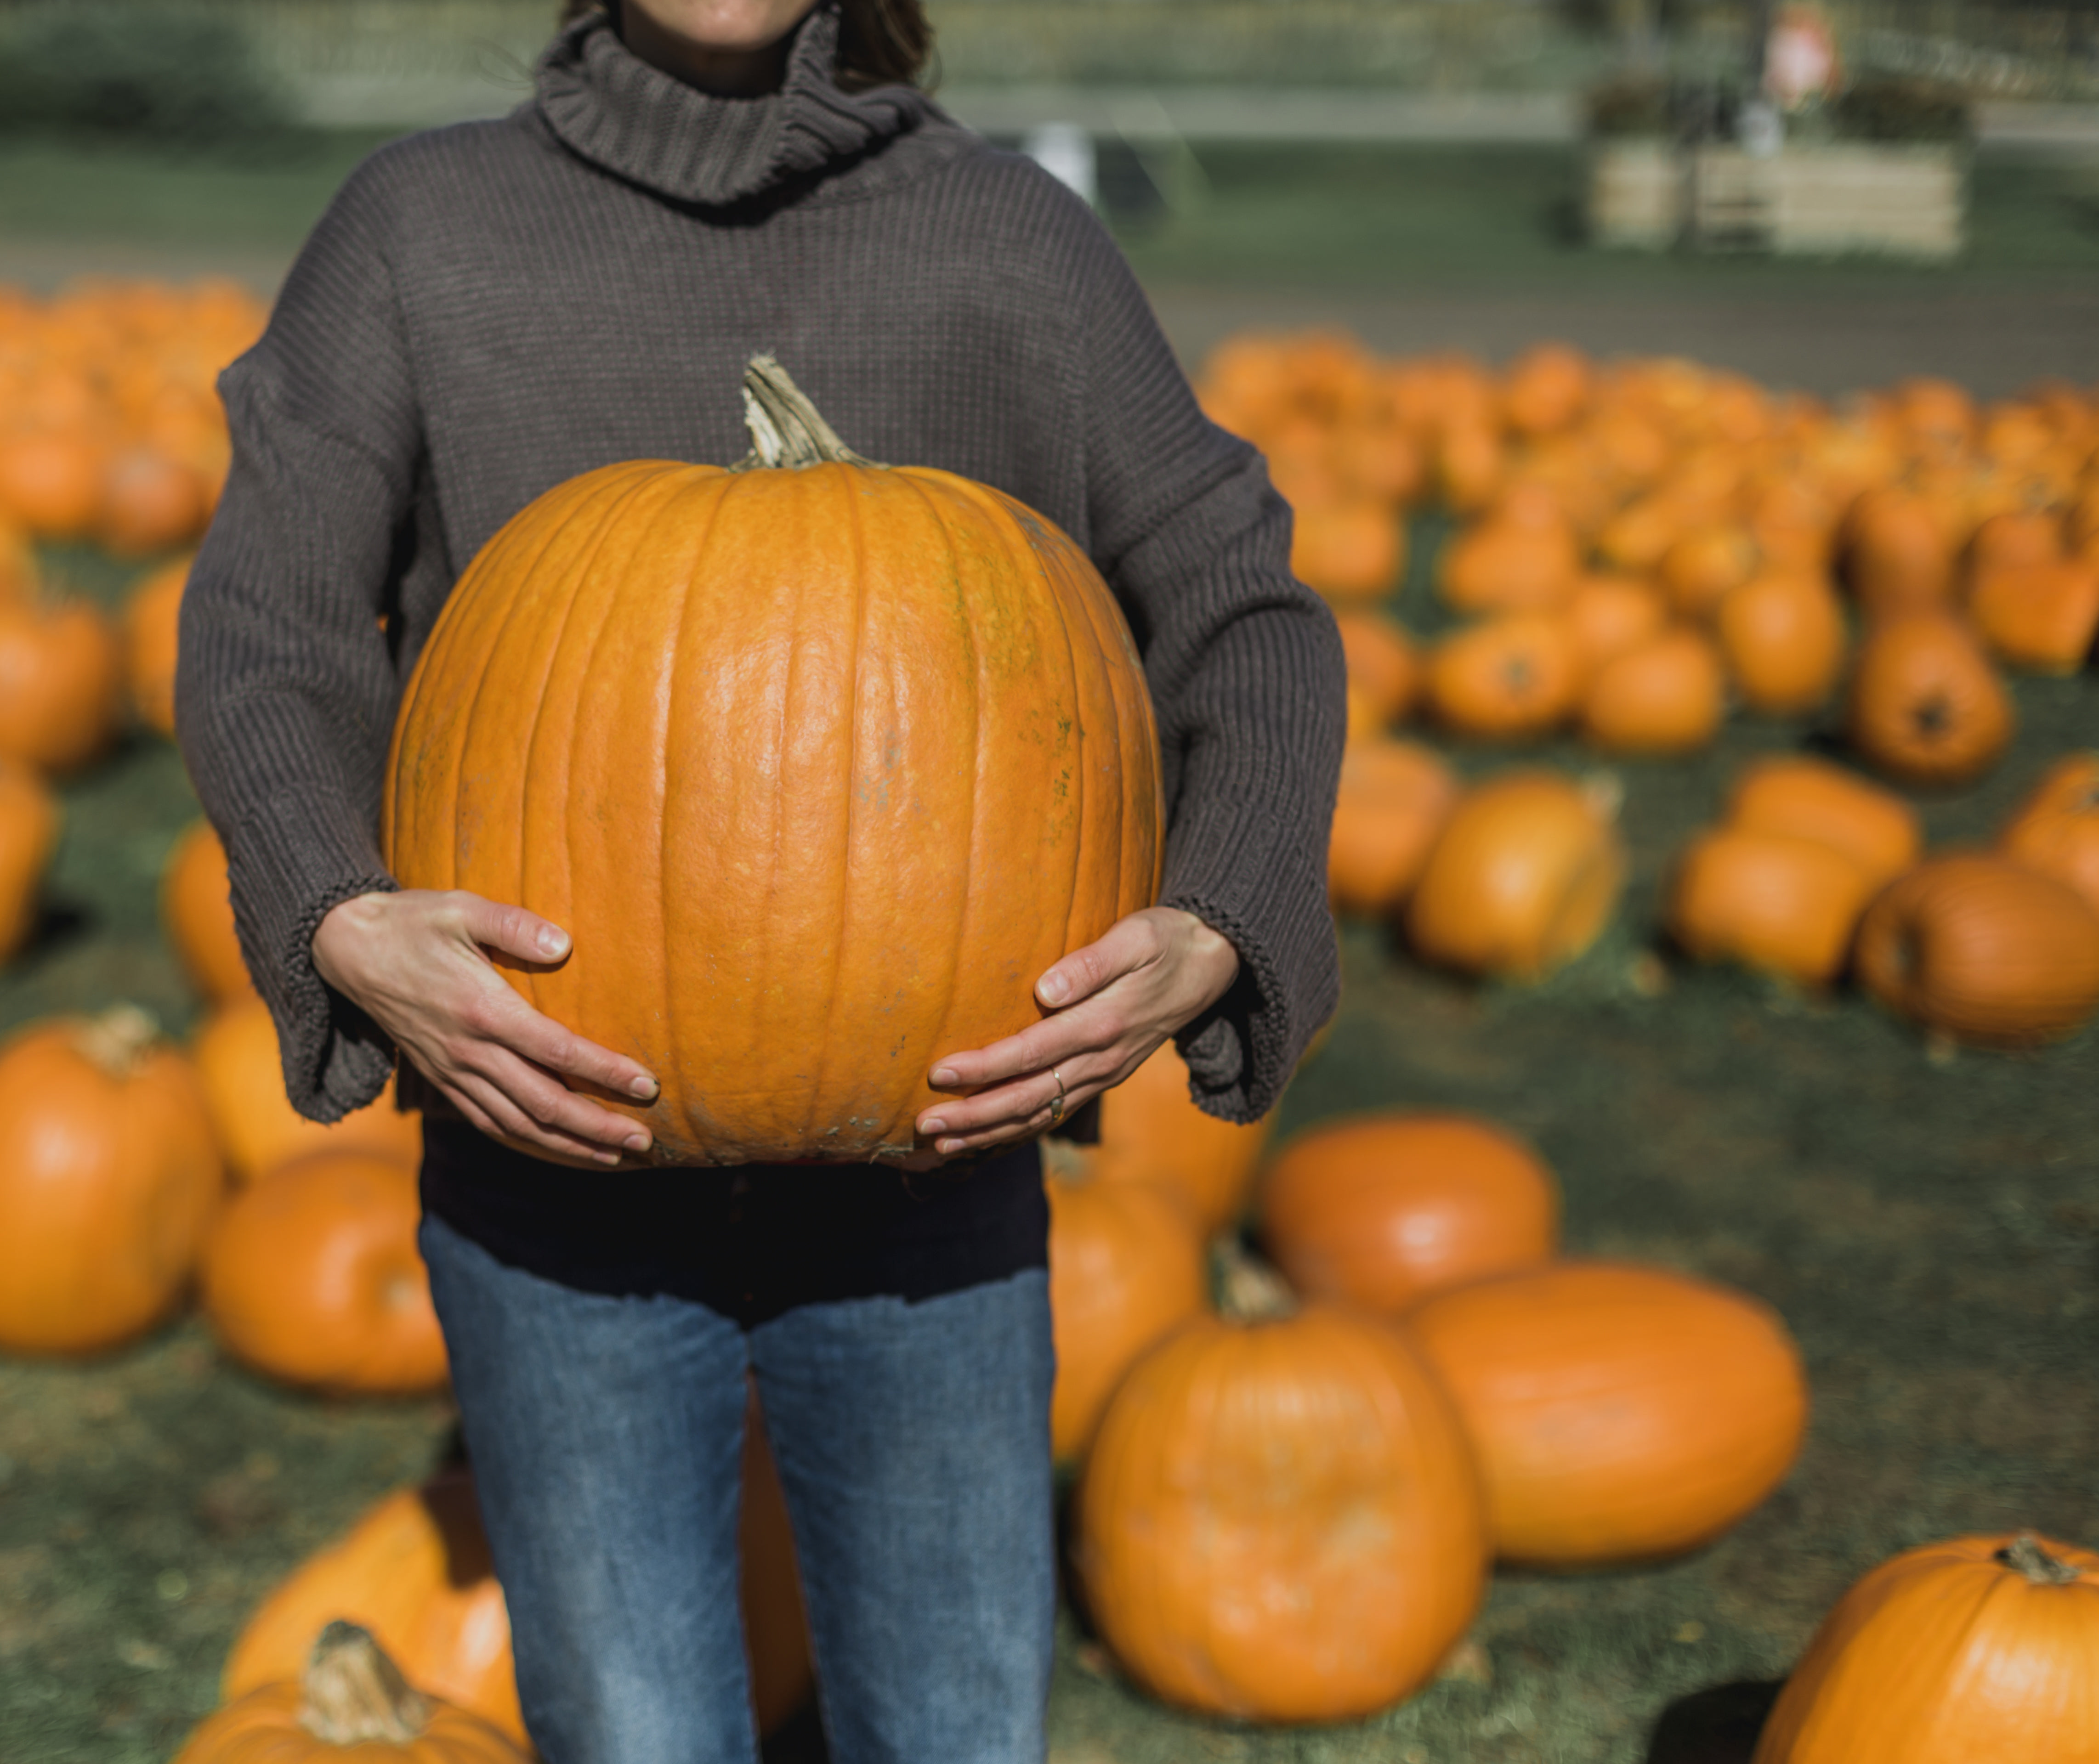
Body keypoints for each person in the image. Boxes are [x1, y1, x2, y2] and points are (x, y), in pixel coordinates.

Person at [173, 1, 1344, 1758]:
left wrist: (1221, 916)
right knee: (632, 1722)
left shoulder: (1009, 242)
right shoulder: (423, 232)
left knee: (953, 1718)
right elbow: (267, 630)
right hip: (545, 1153)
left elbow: (1244, 608)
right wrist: (339, 909)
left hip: (934, 1164)